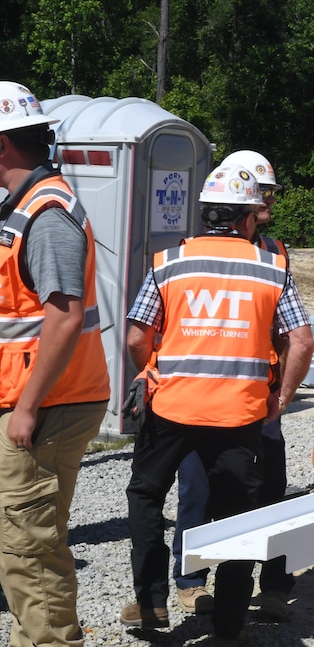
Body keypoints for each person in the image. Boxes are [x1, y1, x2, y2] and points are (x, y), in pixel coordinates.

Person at [121, 160, 314, 646]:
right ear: (248, 218)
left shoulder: (169, 263)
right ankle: (229, 627)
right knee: (239, 518)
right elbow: (303, 340)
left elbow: (135, 335)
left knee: (146, 497)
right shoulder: (271, 268)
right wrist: (282, 398)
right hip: (240, 415)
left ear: (206, 214)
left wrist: (151, 369)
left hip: (171, 409)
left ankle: (152, 602)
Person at [168, 150, 307, 621]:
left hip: (258, 396)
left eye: (269, 193)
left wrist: (281, 396)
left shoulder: (276, 252)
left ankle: (271, 581)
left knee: (269, 488)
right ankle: (190, 581)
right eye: (261, 194)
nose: (267, 201)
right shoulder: (195, 251)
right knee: (197, 489)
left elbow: (293, 334)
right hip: (203, 395)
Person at [0, 81, 111, 646]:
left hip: (48, 403)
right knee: (23, 538)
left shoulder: (44, 212)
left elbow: (63, 318)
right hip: (42, 398)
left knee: (30, 544)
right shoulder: (22, 205)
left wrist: (26, 406)